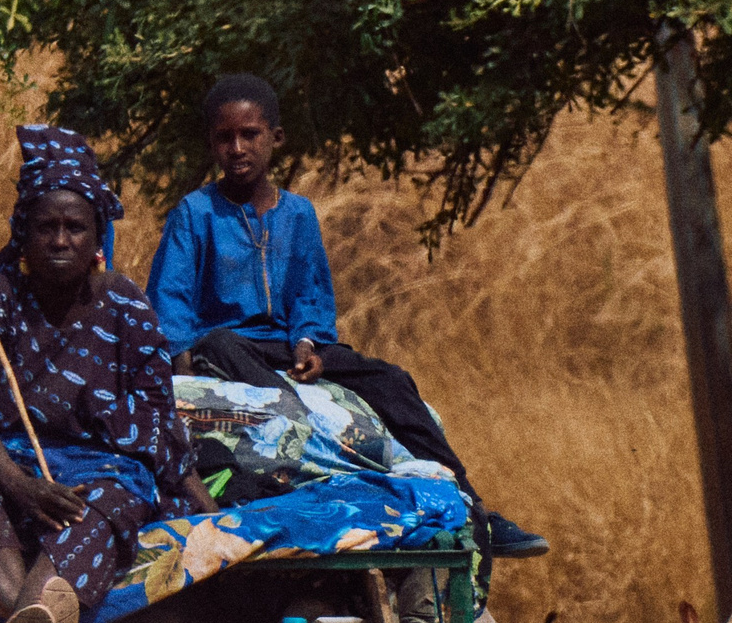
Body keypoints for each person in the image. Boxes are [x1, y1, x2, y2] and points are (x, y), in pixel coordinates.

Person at [146, 74, 547, 561]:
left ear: (276, 137)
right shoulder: (195, 213)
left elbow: (312, 297)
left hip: (287, 348)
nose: (237, 147)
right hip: (229, 349)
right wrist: (183, 364)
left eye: (249, 134)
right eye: (224, 137)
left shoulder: (297, 214)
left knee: (391, 380)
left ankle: (471, 505)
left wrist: (310, 346)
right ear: (211, 142)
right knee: (219, 345)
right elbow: (171, 304)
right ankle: (299, 418)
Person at [0, 124, 215, 623]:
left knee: (116, 496)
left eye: (76, 227)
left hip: (94, 473)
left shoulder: (127, 308)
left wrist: (214, 520)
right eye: (47, 226)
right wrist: (21, 487)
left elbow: (160, 428)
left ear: (98, 238)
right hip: (4, 467)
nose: (61, 240)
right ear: (24, 235)